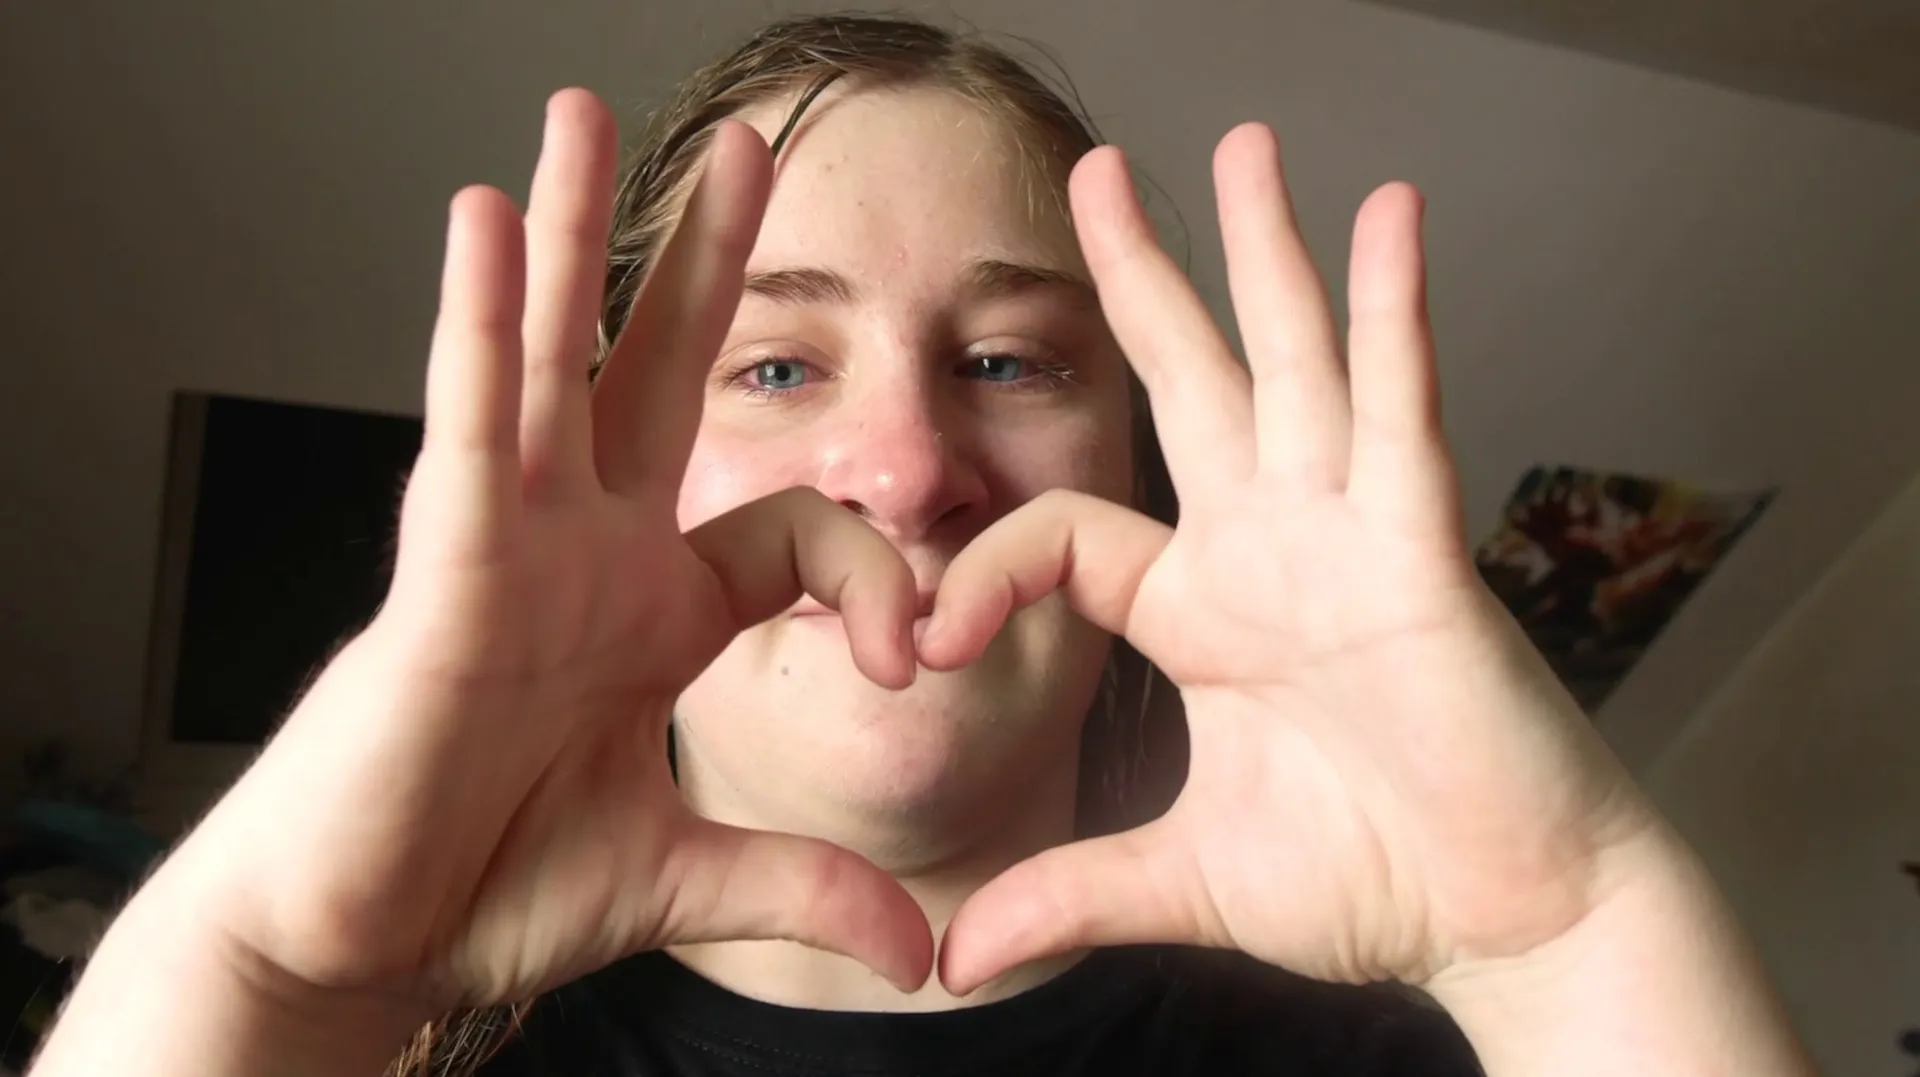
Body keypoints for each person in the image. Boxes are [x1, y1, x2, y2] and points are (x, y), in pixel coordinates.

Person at [30, 13, 1820, 1077]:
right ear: (610, 460)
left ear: (1139, 474)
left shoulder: (1418, 1048)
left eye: (1009, 362)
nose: (902, 472)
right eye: (777, 364)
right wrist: (269, 981)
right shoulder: (332, 1045)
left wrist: (1568, 944)